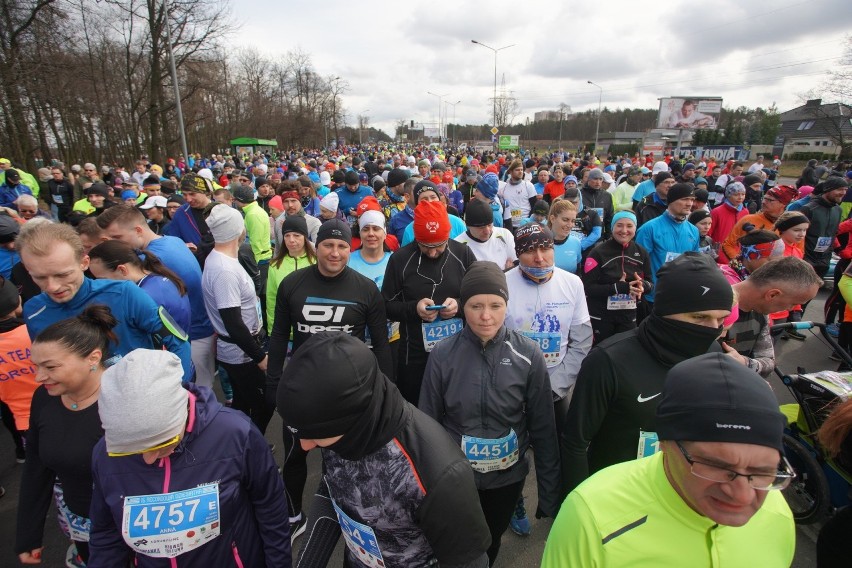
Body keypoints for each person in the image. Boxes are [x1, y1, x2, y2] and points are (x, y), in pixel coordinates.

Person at [543, 353, 795, 567]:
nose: (742, 496)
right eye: (716, 466)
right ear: (663, 443)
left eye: (763, 472)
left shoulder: (779, 514)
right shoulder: (590, 514)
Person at [277, 332, 491, 568]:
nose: (306, 446)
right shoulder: (335, 424)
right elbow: (332, 487)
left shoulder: (440, 473)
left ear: (358, 416)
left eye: (316, 435)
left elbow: (470, 562)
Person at [87, 349, 291, 566]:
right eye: (131, 450)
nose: (148, 459)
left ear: (181, 413)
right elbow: (106, 534)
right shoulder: (106, 452)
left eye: (162, 443)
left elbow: (270, 509)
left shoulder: (235, 434)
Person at [419, 262, 561, 565]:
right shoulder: (443, 354)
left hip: (507, 478)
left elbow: (543, 425)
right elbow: (426, 423)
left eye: (496, 305)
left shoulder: (529, 353)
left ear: (506, 306)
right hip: (457, 478)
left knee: (490, 540)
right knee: (457, 543)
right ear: (463, 307)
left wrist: (548, 491)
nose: (486, 316)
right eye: (475, 306)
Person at [562, 252, 733, 495]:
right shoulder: (608, 360)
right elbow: (576, 442)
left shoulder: (713, 351)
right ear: (665, 310)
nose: (712, 330)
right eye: (700, 317)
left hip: (683, 492)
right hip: (617, 493)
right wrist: (575, 505)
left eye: (721, 320)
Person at [266, 218, 394, 539]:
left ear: (349, 248)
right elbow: (280, 336)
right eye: (328, 245)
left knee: (345, 461)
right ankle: (294, 515)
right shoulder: (292, 284)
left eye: (341, 246)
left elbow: (381, 345)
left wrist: (386, 392)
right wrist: (274, 384)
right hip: (303, 391)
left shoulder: (365, 289)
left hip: (347, 394)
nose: (335, 253)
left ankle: (346, 515)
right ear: (316, 246)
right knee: (295, 455)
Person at [18, 221, 194, 381]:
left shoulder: (125, 293)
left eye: (63, 274)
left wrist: (179, 391)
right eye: (39, 277)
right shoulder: (34, 311)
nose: (52, 286)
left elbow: (177, 342)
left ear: (84, 262)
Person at [16, 306, 116, 566]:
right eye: (36, 366)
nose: (39, 377)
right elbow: (36, 467)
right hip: (81, 522)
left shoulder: (125, 399)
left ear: (93, 358)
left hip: (129, 523)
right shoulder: (44, 398)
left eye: (50, 367)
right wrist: (28, 534)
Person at [96, 204, 215, 389]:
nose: (113, 243)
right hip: (197, 330)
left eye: (117, 237)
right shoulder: (172, 240)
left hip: (190, 336)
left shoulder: (150, 261)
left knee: (197, 394)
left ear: (137, 230)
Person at [382, 200, 477, 406]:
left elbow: (479, 298)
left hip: (460, 351)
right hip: (414, 354)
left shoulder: (463, 254)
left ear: (448, 236)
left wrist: (459, 306)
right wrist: (414, 309)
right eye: (426, 246)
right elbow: (387, 306)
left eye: (439, 246)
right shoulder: (400, 259)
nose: (433, 253)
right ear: (416, 238)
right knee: (417, 409)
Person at [201, 204, 271, 432]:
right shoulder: (224, 271)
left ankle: (240, 447)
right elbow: (233, 322)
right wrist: (259, 356)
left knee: (242, 402)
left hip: (239, 348)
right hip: (241, 352)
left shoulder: (221, 259)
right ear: (239, 230)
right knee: (266, 402)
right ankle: (251, 448)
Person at [722, 257, 822, 378]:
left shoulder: (760, 313)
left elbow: (769, 362)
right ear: (773, 294)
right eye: (794, 303)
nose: (791, 309)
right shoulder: (711, 309)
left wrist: (745, 363)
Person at [87, 241, 191, 337]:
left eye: (102, 279)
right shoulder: (159, 277)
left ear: (122, 270)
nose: (100, 284)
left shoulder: (144, 296)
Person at [582, 211, 653, 343]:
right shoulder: (597, 252)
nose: (624, 230)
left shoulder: (641, 252)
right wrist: (617, 288)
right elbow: (588, 288)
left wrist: (642, 286)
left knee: (624, 353)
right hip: (601, 315)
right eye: (619, 225)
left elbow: (650, 283)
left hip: (628, 315)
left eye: (629, 226)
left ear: (635, 228)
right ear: (612, 227)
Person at [635, 183, 700, 305]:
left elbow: (695, 261)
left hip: (681, 295)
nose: (689, 203)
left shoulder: (693, 230)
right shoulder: (649, 228)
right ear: (671, 201)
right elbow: (637, 264)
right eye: (684, 199)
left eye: (692, 200)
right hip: (654, 298)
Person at [265, 215, 316, 332]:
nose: (291, 240)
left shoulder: (317, 263)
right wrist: (272, 330)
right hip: (285, 334)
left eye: (296, 235)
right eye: (287, 235)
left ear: (305, 237)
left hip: (311, 331)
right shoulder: (275, 265)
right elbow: (272, 300)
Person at [723, 184, 799, 262]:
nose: (763, 202)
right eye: (764, 198)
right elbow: (728, 244)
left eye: (770, 200)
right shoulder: (748, 220)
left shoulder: (793, 226)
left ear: (783, 204)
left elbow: (799, 251)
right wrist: (741, 264)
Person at [801, 177, 848, 278]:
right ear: (827, 189)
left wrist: (837, 249)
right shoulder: (809, 209)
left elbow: (833, 234)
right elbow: (798, 235)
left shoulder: (838, 210)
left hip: (824, 260)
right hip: (806, 259)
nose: (843, 192)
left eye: (845, 189)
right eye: (840, 189)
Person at [455, 198, 516, 269]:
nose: (487, 231)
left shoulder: (505, 234)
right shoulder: (458, 245)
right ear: (468, 226)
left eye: (490, 225)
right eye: (481, 228)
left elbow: (517, 264)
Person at [710, 182, 748, 264]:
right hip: (720, 253)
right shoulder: (717, 212)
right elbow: (709, 233)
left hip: (738, 253)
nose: (740, 197)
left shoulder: (745, 212)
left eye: (743, 194)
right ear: (728, 195)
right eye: (736, 194)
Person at [547, 199, 583, 274]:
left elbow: (578, 272)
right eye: (565, 220)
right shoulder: (540, 242)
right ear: (552, 219)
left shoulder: (576, 242)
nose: (570, 225)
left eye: (573, 221)